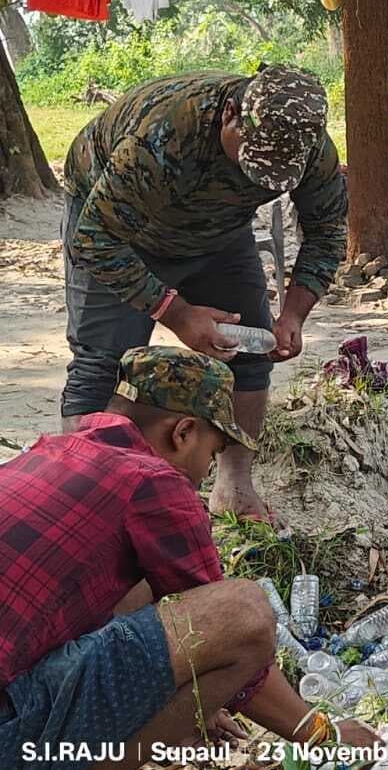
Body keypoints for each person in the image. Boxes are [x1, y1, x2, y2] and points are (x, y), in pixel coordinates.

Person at [0, 347, 378, 770]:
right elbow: (229, 635)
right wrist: (321, 734)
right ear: (183, 433)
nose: (206, 470)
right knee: (243, 608)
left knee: (143, 590)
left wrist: (196, 697)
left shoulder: (49, 453)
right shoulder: (151, 480)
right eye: (213, 451)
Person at [61, 64, 346, 522]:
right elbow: (95, 239)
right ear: (230, 115)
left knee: (250, 354)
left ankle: (234, 486)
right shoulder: (167, 133)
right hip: (121, 231)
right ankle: (84, 505)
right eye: (252, 162)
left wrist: (292, 315)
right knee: (102, 361)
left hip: (218, 234)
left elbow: (328, 232)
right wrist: (178, 314)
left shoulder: (309, 147)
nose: (258, 181)